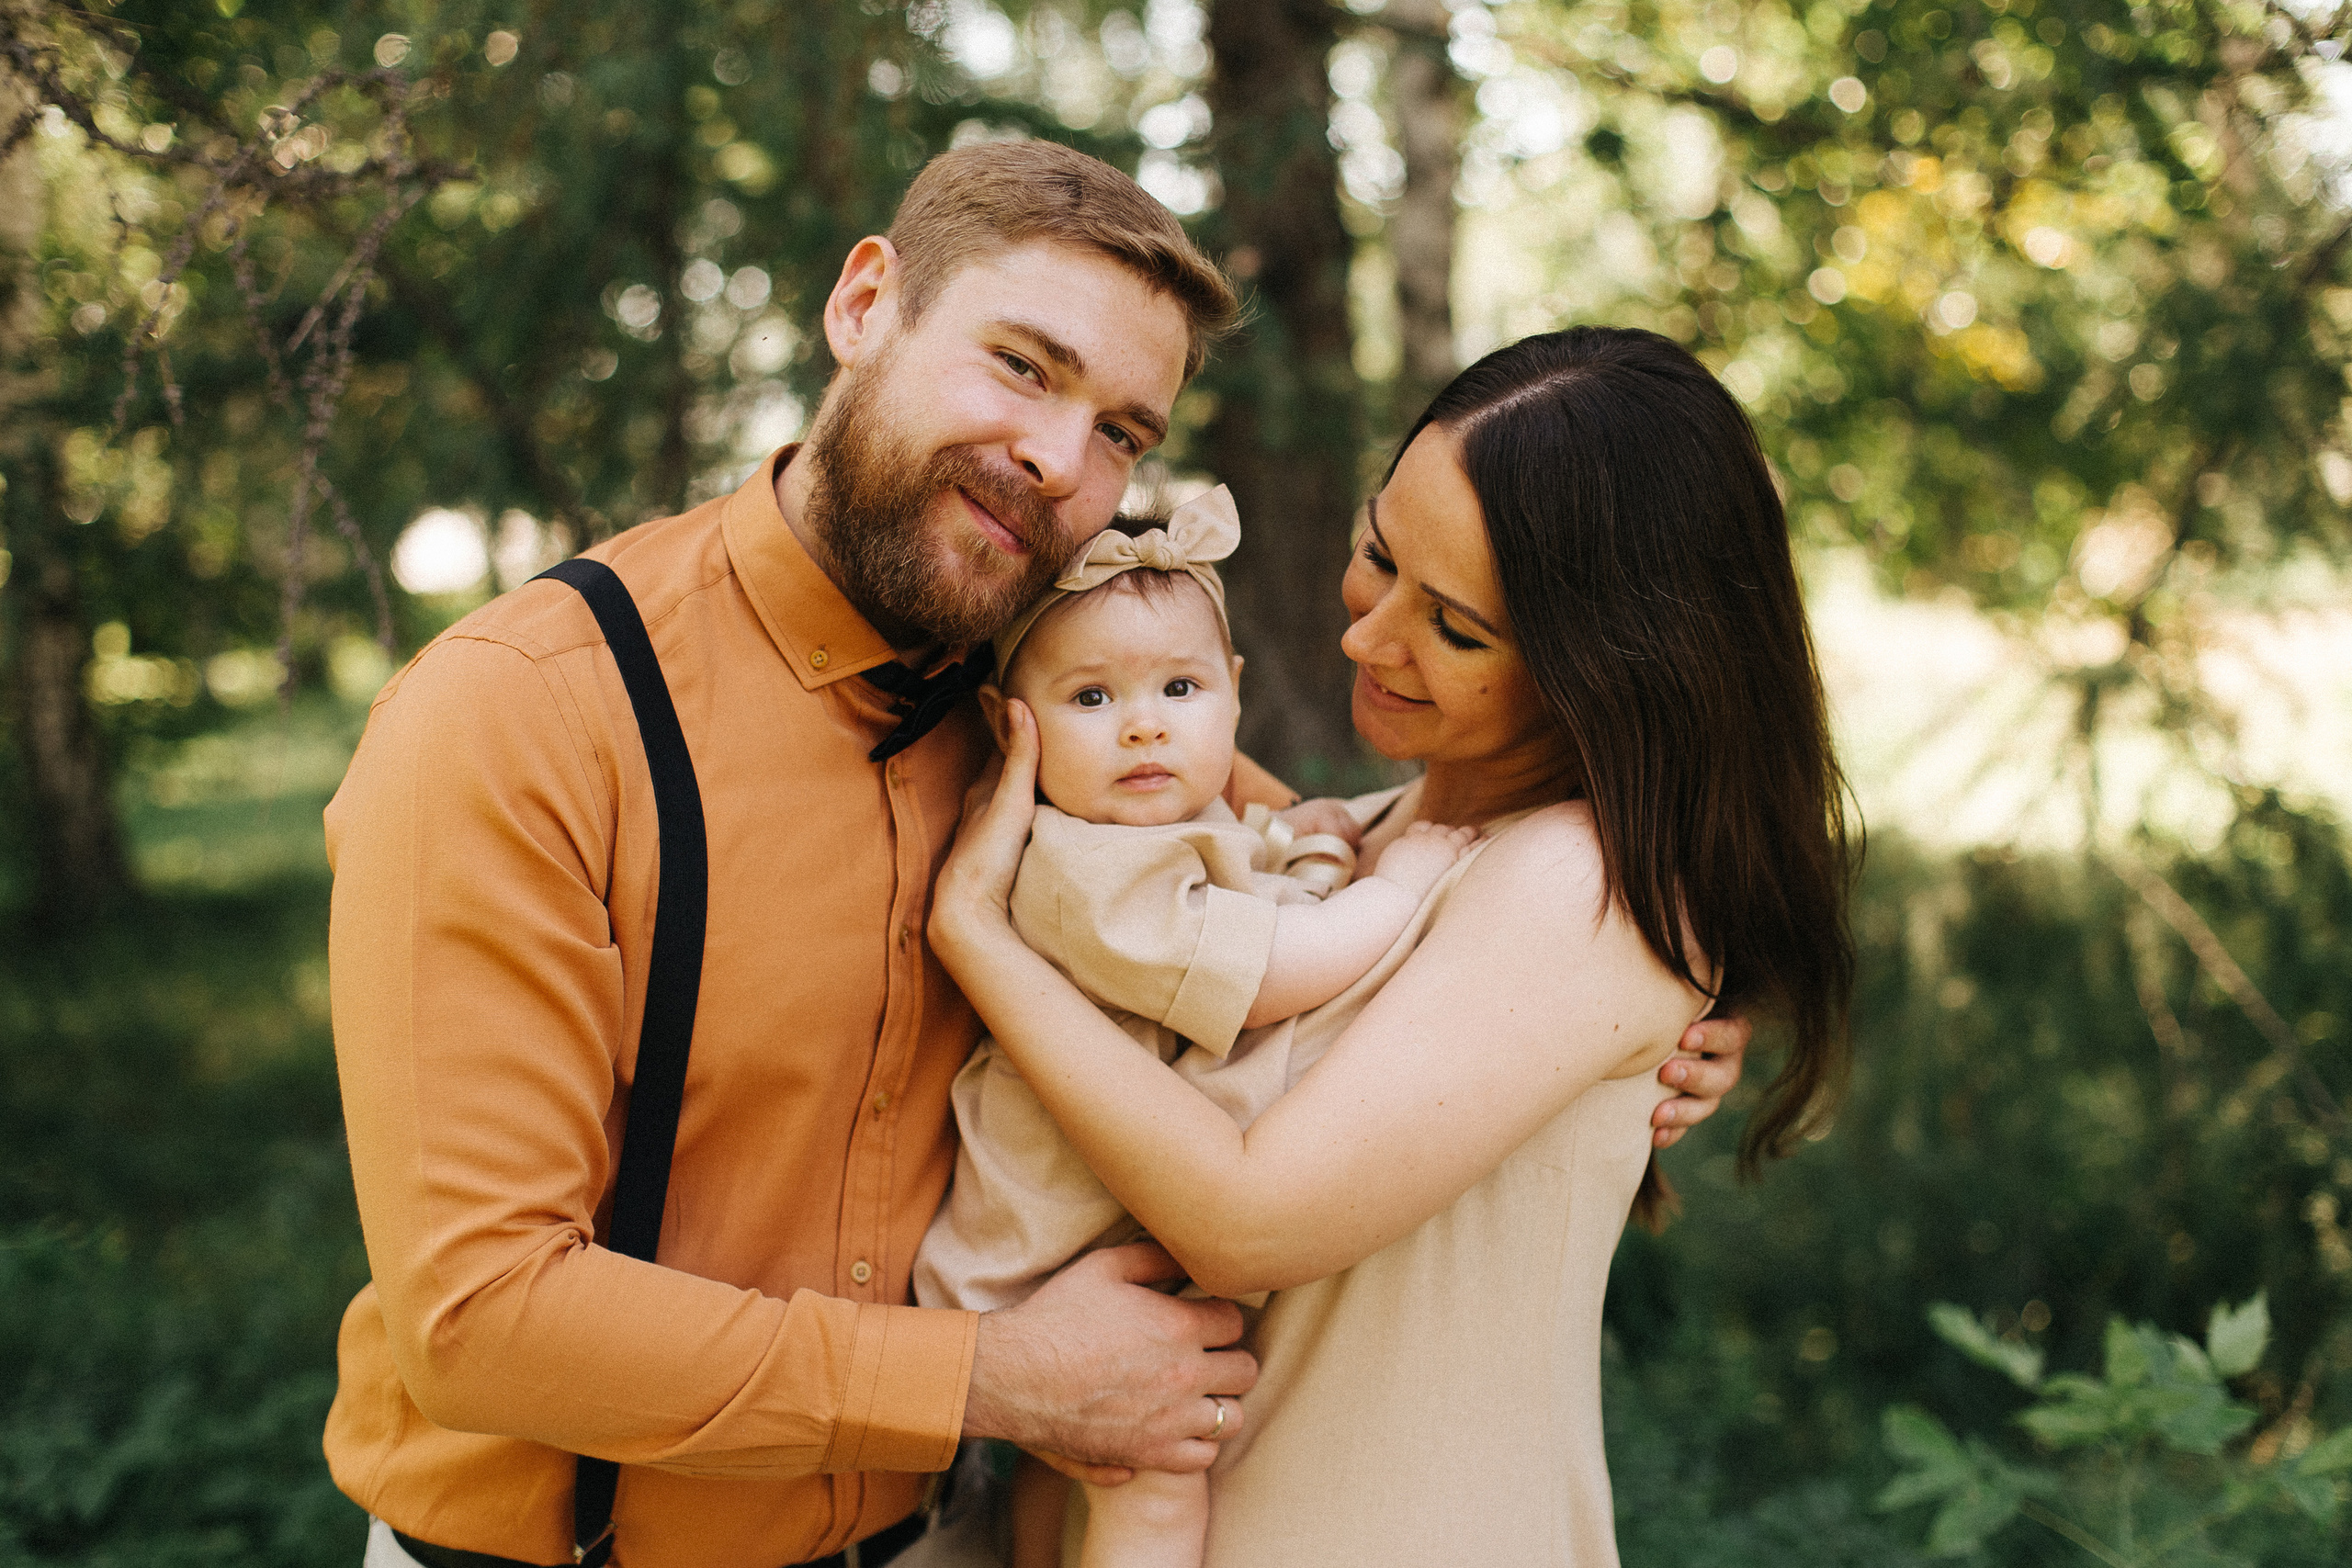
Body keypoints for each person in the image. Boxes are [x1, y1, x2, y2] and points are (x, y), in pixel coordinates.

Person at [323, 137, 1750, 1568]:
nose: (1060, 461)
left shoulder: (1057, 693)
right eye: (1020, 364)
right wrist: (993, 1374)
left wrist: (1649, 1026)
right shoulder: (523, 716)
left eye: (1123, 430)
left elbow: (1305, 858)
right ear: (864, 305)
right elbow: (479, 1316)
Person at [929, 326, 1853, 1566]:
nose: (1366, 639)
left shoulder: (1578, 882)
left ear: (1607, 671)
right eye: (1378, 554)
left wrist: (979, 938)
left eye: (1455, 628)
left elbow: (1244, 1222)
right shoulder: (1360, 835)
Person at [909, 485, 1477, 1568]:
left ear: (1234, 694)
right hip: (1048, 1276)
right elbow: (1268, 971)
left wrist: (1312, 845)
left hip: (1113, 1232)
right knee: (1153, 1483)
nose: (1144, 723)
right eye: (1090, 697)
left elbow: (1260, 902)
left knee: (1067, 1510)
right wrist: (1397, 888)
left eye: (1180, 687)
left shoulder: (1172, 825)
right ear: (1006, 724)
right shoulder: (1081, 871)